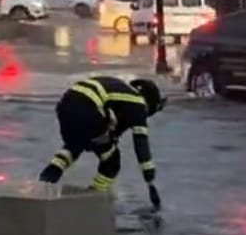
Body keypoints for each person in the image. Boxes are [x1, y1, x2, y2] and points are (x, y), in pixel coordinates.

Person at [39, 75, 165, 210]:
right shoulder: (138, 103)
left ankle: (51, 173)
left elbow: (111, 129)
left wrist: (110, 138)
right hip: (90, 111)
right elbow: (141, 143)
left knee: (76, 144)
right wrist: (149, 177)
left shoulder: (120, 91)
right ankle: (93, 201)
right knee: (112, 161)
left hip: (66, 106)